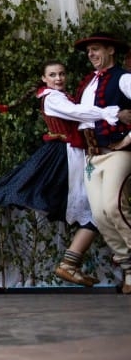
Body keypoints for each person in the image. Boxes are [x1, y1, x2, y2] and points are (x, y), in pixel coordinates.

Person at [0, 60, 119, 285]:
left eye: (62, 74)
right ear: (44, 78)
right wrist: (108, 112)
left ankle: (72, 262)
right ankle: (80, 260)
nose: (58, 79)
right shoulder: (53, 98)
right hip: (65, 155)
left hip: (70, 154)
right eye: (53, 75)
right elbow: (77, 113)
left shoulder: (59, 96)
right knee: (95, 208)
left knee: (95, 208)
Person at [71, 33, 131, 293]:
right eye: (89, 52)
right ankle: (129, 268)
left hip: (117, 152)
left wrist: (127, 139)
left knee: (114, 206)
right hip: (92, 155)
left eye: (95, 50)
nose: (91, 55)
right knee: (99, 214)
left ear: (111, 51)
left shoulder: (124, 78)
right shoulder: (87, 83)